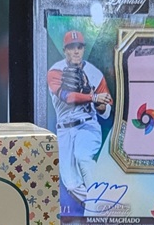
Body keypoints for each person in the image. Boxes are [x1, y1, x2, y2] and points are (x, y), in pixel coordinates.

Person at [46, 29, 112, 209]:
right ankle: (97, 205)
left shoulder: (94, 73)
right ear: (64, 50)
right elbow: (68, 97)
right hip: (64, 130)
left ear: (83, 49)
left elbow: (106, 109)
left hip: (87, 125)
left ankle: (98, 204)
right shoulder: (55, 71)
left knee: (83, 156)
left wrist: (100, 104)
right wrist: (93, 97)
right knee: (71, 183)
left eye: (79, 47)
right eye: (71, 47)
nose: (76, 51)